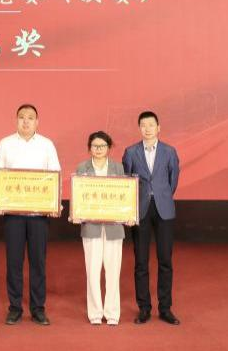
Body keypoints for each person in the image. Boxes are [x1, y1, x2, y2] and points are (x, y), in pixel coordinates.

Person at [0, 104, 61, 326]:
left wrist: (55, 204)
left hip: (39, 214)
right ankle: (14, 308)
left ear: (37, 122)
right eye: (22, 117)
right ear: (16, 120)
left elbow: (55, 175)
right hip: (13, 213)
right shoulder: (5, 144)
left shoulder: (47, 145)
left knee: (38, 262)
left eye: (30, 118)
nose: (26, 121)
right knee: (14, 262)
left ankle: (38, 308)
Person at [122, 111, 180, 326]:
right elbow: (127, 182)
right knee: (141, 261)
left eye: (151, 125)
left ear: (158, 128)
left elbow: (173, 179)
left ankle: (165, 308)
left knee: (165, 260)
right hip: (140, 210)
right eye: (143, 125)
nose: (147, 129)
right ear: (139, 128)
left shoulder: (169, 151)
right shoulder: (131, 152)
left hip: (164, 209)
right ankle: (144, 308)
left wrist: (162, 195)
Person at [73, 131, 132, 326]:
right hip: (91, 227)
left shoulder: (118, 167)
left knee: (113, 271)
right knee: (92, 270)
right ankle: (95, 313)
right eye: (95, 146)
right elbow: (77, 195)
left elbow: (125, 195)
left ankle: (112, 313)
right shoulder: (82, 167)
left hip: (114, 227)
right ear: (89, 148)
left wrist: (129, 214)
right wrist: (76, 212)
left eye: (102, 146)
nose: (98, 149)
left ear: (109, 147)